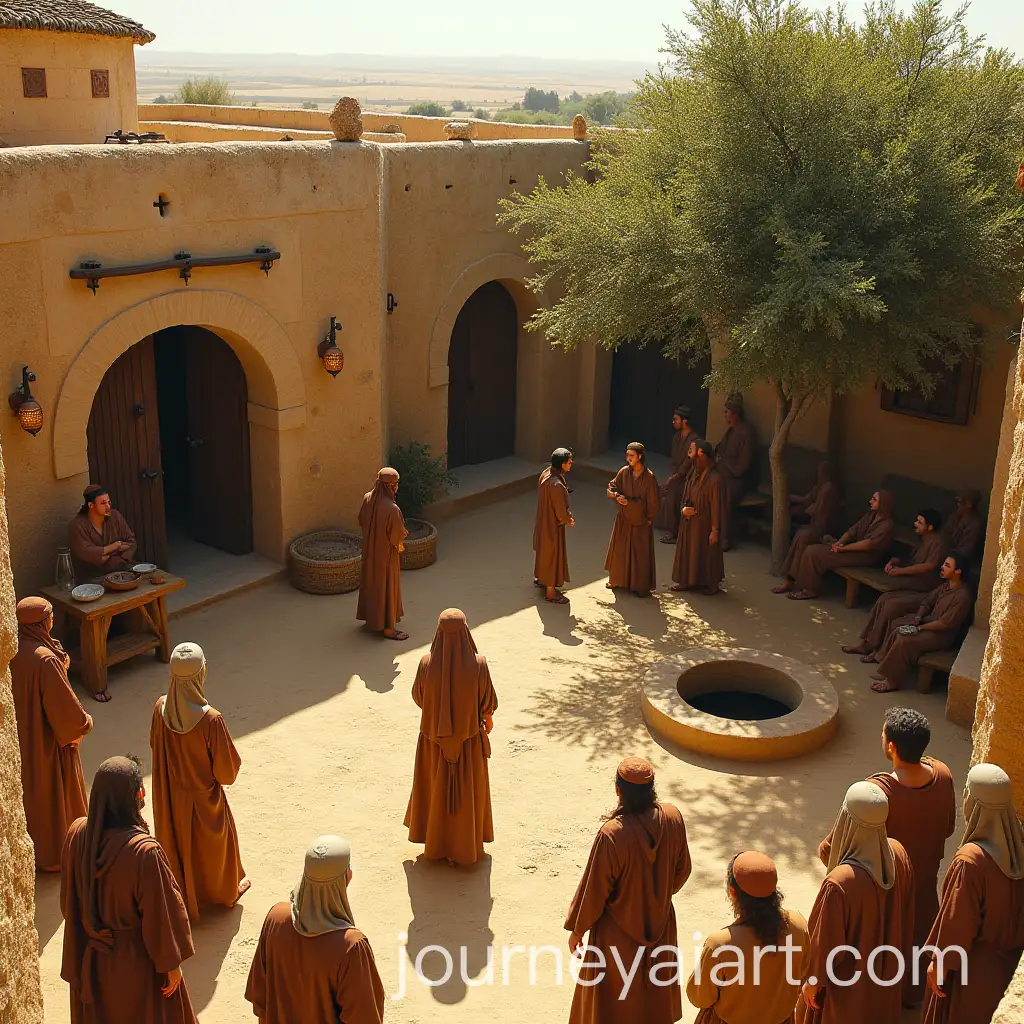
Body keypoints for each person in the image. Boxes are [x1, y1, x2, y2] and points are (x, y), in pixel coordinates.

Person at [818, 707, 956, 1007]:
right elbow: (948, 828)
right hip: (924, 888)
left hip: (886, 895)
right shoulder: (943, 776)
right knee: (918, 942)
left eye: (883, 734)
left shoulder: (877, 792)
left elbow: (832, 850)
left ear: (891, 746)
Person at [60, 755, 198, 1024]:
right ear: (137, 794)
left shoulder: (77, 834)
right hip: (134, 966)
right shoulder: (144, 852)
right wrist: (171, 965)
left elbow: (68, 903)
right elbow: (161, 916)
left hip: (91, 964)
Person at [565, 758, 691, 1024]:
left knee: (613, 1003)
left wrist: (578, 930)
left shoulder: (612, 834)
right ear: (652, 789)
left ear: (618, 790)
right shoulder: (673, 818)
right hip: (661, 925)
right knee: (652, 997)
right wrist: (657, 896)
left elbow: (595, 891)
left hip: (616, 935)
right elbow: (683, 871)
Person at [796, 781, 914, 1024]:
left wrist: (813, 981)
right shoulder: (899, 853)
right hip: (886, 976)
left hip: (848, 990)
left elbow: (825, 942)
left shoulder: (840, 882)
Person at [150, 642, 249, 920]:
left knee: (176, 843)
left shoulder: (160, 708)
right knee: (211, 850)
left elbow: (154, 745)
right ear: (200, 674)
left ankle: (182, 896)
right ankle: (222, 893)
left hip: (169, 796)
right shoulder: (211, 720)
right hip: (203, 801)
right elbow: (227, 773)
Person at [921, 764, 1024, 1024]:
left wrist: (939, 964)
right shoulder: (1019, 843)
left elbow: (959, 919)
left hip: (973, 974)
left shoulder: (971, 861)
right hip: (1010, 966)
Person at [245, 835, 385, 1024]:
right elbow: (364, 1017)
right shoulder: (351, 947)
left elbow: (259, 996)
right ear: (348, 877)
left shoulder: (275, 917)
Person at [405, 609, 497, 865]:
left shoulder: (425, 663)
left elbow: (419, 698)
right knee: (466, 793)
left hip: (433, 743)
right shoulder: (479, 664)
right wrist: (482, 723)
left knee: (434, 787)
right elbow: (487, 706)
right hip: (468, 743)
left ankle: (436, 847)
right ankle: (463, 849)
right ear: (466, 632)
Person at [11, 596, 92, 870]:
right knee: (55, 797)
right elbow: (67, 713)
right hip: (49, 740)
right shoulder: (45, 660)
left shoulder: (12, 652)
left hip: (22, 740)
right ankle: (60, 855)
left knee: (32, 795)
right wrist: (83, 724)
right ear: (44, 623)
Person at [686, 851, 810, 1024]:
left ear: (732, 892)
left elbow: (700, 998)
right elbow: (803, 974)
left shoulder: (721, 945)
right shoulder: (798, 925)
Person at [841, 508, 947, 658]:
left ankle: (880, 652)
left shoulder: (938, 544)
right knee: (883, 600)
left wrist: (901, 571)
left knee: (892, 606)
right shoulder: (922, 540)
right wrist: (896, 562)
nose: (915, 524)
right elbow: (912, 560)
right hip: (912, 585)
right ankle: (867, 644)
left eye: (920, 522)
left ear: (930, 527)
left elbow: (928, 566)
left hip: (925, 591)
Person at [869, 554, 973, 693]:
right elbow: (927, 601)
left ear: (958, 571)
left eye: (947, 566)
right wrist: (918, 617)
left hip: (942, 635)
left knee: (904, 640)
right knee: (898, 625)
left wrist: (919, 628)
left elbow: (944, 624)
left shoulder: (962, 596)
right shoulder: (945, 586)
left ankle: (893, 681)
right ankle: (884, 666)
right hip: (928, 623)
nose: (942, 567)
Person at [784, 490, 894, 601]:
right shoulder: (870, 516)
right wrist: (839, 543)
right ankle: (800, 584)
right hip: (853, 549)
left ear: (883, 504)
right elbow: (852, 531)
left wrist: (843, 549)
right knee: (810, 549)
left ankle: (809, 590)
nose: (870, 501)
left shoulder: (887, 525)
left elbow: (867, 545)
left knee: (813, 553)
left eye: (874, 500)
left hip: (866, 556)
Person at [772, 462, 842, 592]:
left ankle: (796, 581)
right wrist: (786, 496)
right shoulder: (820, 486)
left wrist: (804, 510)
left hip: (824, 529)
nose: (819, 473)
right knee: (800, 535)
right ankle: (790, 579)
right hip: (814, 525)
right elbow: (806, 499)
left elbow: (817, 510)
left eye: (822, 470)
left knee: (803, 537)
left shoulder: (830, 489)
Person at [357, 467, 408, 641]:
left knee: (371, 585)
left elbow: (362, 520)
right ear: (390, 487)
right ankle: (388, 629)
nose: (397, 487)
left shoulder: (367, 498)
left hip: (370, 553)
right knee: (387, 588)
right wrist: (401, 545)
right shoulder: (392, 509)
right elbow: (397, 537)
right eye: (396, 484)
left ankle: (372, 620)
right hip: (386, 557)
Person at [670, 440, 726, 596]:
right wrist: (683, 509)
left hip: (705, 524)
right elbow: (686, 495)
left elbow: (717, 507)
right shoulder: (694, 473)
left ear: (701, 453)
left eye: (692, 450)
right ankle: (687, 580)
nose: (689, 453)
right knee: (689, 551)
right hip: (690, 521)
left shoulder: (715, 480)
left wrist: (715, 530)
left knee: (707, 552)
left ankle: (710, 585)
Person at [605, 442, 659, 596]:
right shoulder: (623, 472)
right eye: (627, 455)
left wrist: (649, 517)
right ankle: (617, 580)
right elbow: (611, 488)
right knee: (620, 551)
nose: (628, 458)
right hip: (624, 519)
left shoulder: (649, 477)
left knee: (639, 555)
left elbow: (653, 502)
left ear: (640, 456)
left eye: (631, 456)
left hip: (641, 520)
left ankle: (639, 586)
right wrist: (616, 496)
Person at [68, 484, 137, 583]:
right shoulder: (77, 525)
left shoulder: (115, 516)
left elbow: (131, 542)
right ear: (91, 505)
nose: (108, 506)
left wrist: (115, 558)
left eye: (109, 502)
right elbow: (86, 553)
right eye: (103, 503)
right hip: (91, 579)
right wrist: (115, 546)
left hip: (121, 571)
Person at [714, 393, 758, 549]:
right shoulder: (730, 431)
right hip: (724, 474)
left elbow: (743, 465)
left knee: (724, 495)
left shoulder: (747, 432)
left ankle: (725, 538)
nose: (725, 415)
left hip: (737, 479)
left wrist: (726, 465)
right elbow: (719, 450)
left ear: (736, 413)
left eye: (727, 412)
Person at [533, 447, 575, 604]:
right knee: (552, 554)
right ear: (562, 464)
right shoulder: (556, 484)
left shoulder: (546, 473)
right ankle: (550, 592)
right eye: (569, 462)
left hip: (543, 521)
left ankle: (541, 578)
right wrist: (568, 519)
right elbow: (560, 511)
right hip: (552, 525)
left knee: (544, 552)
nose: (571, 465)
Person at [655, 407, 701, 543]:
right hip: (677, 475)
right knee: (661, 489)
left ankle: (674, 532)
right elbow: (674, 460)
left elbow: (688, 464)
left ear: (684, 421)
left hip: (689, 478)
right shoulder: (676, 438)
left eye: (676, 419)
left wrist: (674, 478)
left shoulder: (694, 440)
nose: (673, 422)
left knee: (673, 494)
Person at [941, 488, 984, 562]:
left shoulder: (975, 524)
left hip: (958, 561)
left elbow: (966, 550)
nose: (958, 504)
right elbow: (944, 534)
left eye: (960, 501)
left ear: (968, 504)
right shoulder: (955, 516)